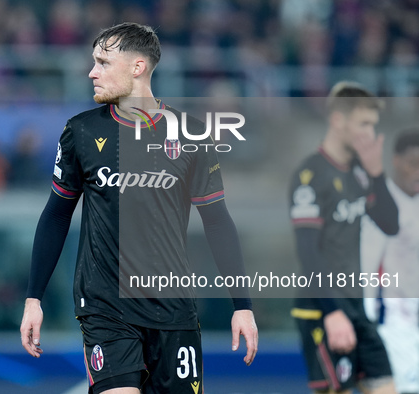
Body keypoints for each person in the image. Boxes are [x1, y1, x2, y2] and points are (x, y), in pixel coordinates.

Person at [20, 22, 258, 394]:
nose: (91, 72)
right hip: (105, 308)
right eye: (93, 62)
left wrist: (241, 305)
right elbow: (56, 214)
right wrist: (34, 297)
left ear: (137, 67)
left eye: (102, 62)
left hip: (173, 309)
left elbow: (217, 222)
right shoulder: (80, 132)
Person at [288, 81, 399, 394]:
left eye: (373, 125)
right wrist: (333, 312)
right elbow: (308, 251)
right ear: (338, 120)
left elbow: (390, 223)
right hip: (322, 308)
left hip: (355, 305)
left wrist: (377, 174)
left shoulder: (360, 173)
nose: (370, 132)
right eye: (364, 123)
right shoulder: (310, 176)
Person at [361, 129, 419, 394]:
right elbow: (367, 265)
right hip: (392, 322)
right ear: (396, 161)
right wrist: (366, 319)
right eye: (414, 164)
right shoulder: (381, 206)